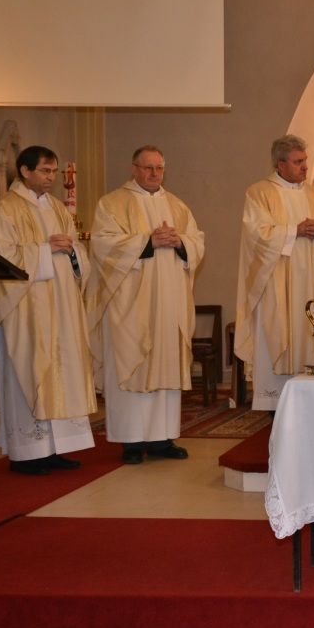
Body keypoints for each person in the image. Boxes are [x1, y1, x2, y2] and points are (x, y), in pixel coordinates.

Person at [0, 145, 95, 475]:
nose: (51, 177)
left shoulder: (57, 208)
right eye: (45, 171)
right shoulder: (4, 209)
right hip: (25, 309)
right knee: (28, 371)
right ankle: (28, 452)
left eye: (54, 171)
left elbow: (77, 250)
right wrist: (44, 250)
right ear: (25, 171)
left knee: (62, 372)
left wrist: (73, 253)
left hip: (62, 306)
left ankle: (56, 448)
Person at [87, 146, 205, 465]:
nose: (154, 174)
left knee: (165, 365)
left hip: (168, 304)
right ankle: (130, 441)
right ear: (134, 169)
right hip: (130, 306)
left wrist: (181, 242)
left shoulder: (177, 206)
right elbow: (102, 245)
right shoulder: (112, 204)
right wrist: (147, 242)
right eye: (148, 168)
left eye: (159, 168)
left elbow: (197, 241)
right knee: (131, 363)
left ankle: (162, 439)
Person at [234, 135, 314, 411]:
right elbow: (257, 237)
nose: (305, 167)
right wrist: (295, 230)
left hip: (312, 286)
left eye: (305, 161)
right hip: (277, 289)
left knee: (311, 341)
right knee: (277, 337)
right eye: (298, 162)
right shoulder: (260, 193)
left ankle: (311, 407)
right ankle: (276, 411)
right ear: (280, 165)